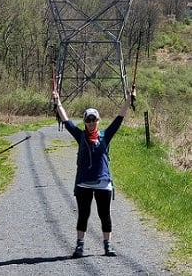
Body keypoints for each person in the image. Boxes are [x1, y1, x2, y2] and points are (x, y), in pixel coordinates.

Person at [53, 88, 134, 258]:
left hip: (103, 182)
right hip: (83, 182)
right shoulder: (80, 136)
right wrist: (57, 101)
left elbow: (119, 119)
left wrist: (128, 99)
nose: (91, 123)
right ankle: (79, 246)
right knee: (83, 215)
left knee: (105, 215)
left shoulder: (106, 135)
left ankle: (108, 246)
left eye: (94, 120)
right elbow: (66, 120)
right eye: (88, 120)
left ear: (99, 121)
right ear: (84, 122)